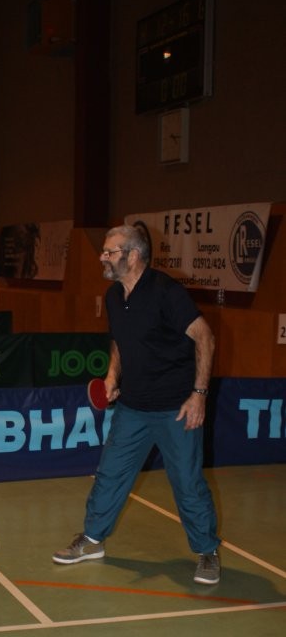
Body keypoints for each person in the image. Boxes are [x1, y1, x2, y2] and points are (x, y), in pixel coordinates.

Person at [52, 224, 221, 585]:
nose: (102, 257)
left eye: (109, 252)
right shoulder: (115, 296)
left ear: (132, 256)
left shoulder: (166, 292)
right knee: (110, 475)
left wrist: (199, 395)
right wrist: (112, 377)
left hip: (176, 408)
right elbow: (119, 340)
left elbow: (205, 337)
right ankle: (93, 540)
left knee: (187, 482)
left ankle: (207, 551)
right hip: (132, 407)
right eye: (104, 251)